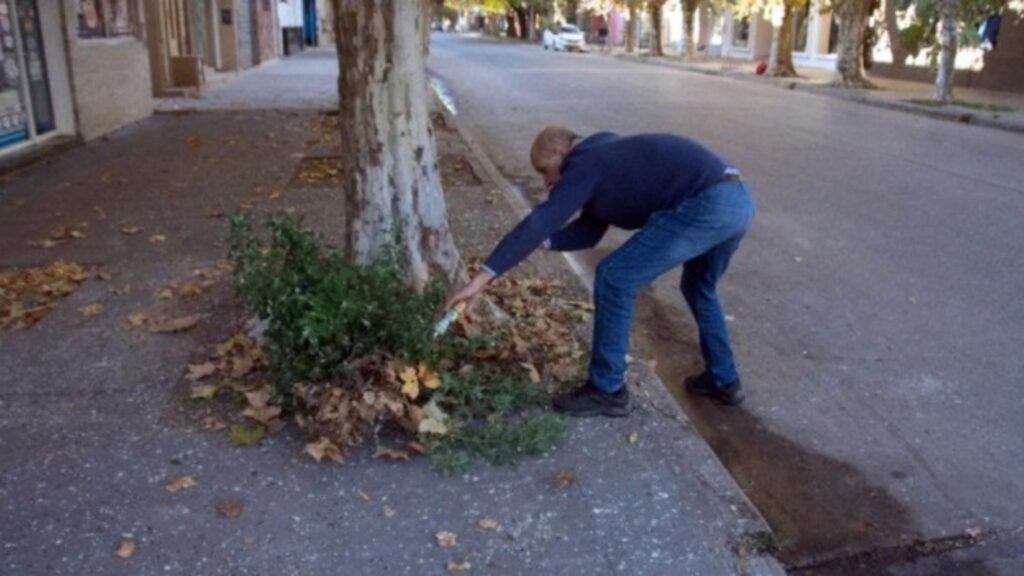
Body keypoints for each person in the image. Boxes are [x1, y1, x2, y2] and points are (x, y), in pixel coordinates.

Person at [446, 127, 755, 417]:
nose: (547, 182)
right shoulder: (605, 159)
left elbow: (542, 219)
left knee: (615, 277)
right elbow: (588, 232)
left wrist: (482, 278)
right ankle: (724, 380)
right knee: (699, 288)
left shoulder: (585, 164)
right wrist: (542, 242)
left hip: (707, 203)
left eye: (544, 170)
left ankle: (607, 389)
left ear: (559, 152)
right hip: (737, 201)